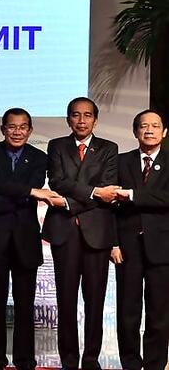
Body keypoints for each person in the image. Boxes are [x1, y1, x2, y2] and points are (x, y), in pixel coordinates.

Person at [0, 108, 60, 370]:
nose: (17, 132)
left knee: (25, 306)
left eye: (23, 127)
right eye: (12, 127)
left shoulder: (39, 158)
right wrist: (31, 191)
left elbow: (5, 191)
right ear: (3, 129)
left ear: (30, 130)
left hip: (25, 239)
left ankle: (25, 361)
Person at [42, 97, 118, 370]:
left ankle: (91, 359)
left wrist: (68, 203)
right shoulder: (57, 146)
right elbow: (57, 181)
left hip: (96, 232)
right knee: (66, 299)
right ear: (68, 119)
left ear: (95, 120)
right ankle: (69, 360)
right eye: (76, 115)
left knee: (95, 301)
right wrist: (94, 192)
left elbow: (109, 189)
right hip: (65, 231)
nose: (81, 120)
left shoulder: (109, 148)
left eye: (87, 115)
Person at [111, 109, 169, 370]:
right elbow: (109, 206)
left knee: (159, 313)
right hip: (127, 247)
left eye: (155, 126)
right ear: (135, 132)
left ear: (164, 132)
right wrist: (113, 243)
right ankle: (131, 364)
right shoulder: (120, 162)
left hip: (163, 247)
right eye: (144, 126)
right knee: (128, 312)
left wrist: (132, 194)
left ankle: (155, 365)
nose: (149, 130)